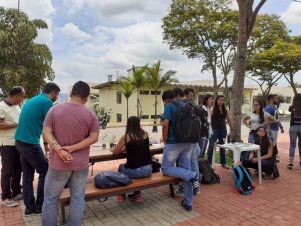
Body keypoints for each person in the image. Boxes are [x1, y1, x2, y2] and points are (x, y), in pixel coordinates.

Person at [41, 81, 99, 226]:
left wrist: (58, 149)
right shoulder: (91, 114)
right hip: (80, 165)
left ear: (72, 93)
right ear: (86, 97)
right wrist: (72, 148)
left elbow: (46, 131)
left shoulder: (54, 110)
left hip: (58, 164)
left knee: (50, 199)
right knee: (78, 199)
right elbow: (94, 137)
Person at [14, 82, 60, 215]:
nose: (56, 97)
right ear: (53, 93)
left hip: (20, 141)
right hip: (30, 143)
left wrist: (46, 145)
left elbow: (44, 126)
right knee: (45, 171)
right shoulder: (47, 103)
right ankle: (40, 205)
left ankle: (29, 206)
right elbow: (52, 127)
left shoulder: (32, 100)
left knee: (27, 174)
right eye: (57, 95)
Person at [161, 90, 199, 211]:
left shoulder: (169, 106)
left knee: (166, 169)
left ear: (166, 99)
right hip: (188, 143)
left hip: (174, 143)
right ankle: (188, 203)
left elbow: (165, 123)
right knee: (185, 171)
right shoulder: (185, 104)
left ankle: (193, 175)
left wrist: (165, 138)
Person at [112, 116, 152, 203]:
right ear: (138, 124)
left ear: (128, 124)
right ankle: (137, 195)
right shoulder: (145, 134)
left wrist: (114, 149)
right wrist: (126, 148)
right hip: (148, 170)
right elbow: (139, 147)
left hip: (135, 172)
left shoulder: (127, 136)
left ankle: (121, 194)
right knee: (134, 167)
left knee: (121, 168)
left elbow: (115, 152)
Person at [0, 87, 25, 207]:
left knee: (18, 169)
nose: (22, 100)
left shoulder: (16, 106)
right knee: (7, 171)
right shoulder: (1, 106)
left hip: (17, 142)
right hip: (7, 143)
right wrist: (17, 124)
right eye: (22, 97)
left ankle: (16, 191)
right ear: (16, 96)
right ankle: (5, 197)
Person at [174, 88, 201, 197]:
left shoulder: (182, 105)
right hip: (194, 136)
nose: (191, 97)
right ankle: (196, 186)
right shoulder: (194, 106)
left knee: (188, 163)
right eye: (190, 95)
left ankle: (189, 187)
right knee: (193, 161)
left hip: (186, 138)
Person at [207, 95, 234, 168]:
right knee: (211, 146)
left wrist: (232, 129)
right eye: (220, 100)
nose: (221, 102)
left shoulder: (225, 110)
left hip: (223, 129)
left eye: (222, 100)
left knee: (222, 146)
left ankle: (223, 163)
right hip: (214, 130)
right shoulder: (212, 110)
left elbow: (228, 119)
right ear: (216, 101)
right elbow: (208, 120)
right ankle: (209, 164)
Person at [264, 94, 284, 162]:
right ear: (271, 99)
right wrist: (268, 128)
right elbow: (266, 118)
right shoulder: (268, 108)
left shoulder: (275, 108)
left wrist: (281, 127)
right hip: (271, 129)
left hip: (275, 129)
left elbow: (277, 119)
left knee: (273, 144)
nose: (277, 100)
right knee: (270, 144)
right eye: (276, 99)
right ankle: (269, 158)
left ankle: (272, 158)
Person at [287, 93, 301, 169]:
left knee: (292, 145)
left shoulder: (292, 107)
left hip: (293, 127)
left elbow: (289, 110)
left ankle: (291, 163)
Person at [199, 94, 214, 158]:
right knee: (200, 151)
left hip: (206, 133)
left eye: (212, 99)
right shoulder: (201, 109)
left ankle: (200, 166)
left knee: (203, 151)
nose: (212, 101)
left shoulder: (208, 109)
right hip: (202, 134)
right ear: (206, 100)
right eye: (210, 99)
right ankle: (197, 167)